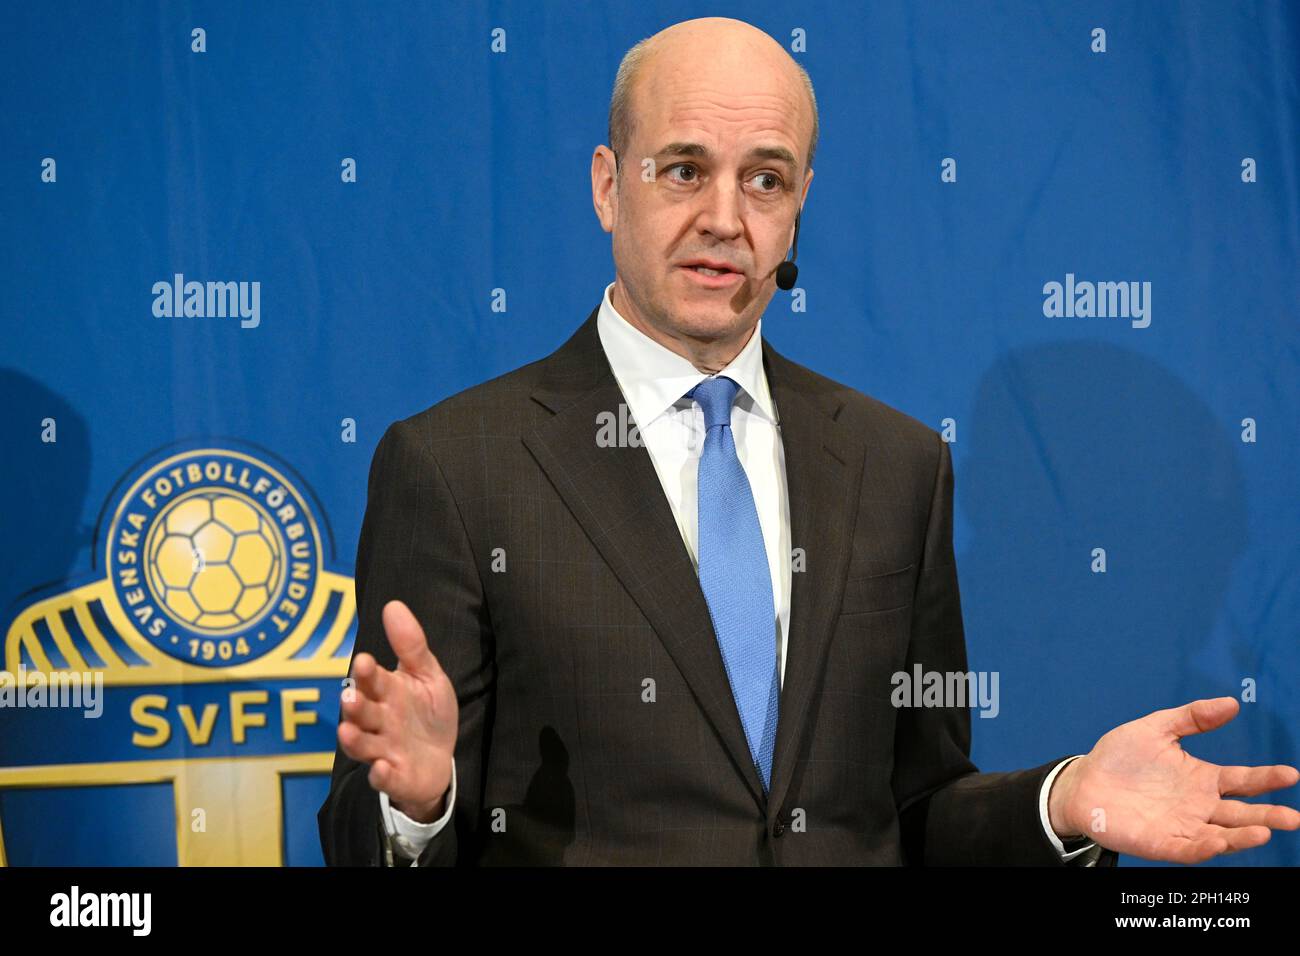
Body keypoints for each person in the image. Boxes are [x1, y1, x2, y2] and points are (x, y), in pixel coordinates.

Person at [318, 16, 1299, 866]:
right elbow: (359, 832)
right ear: (608, 186)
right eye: (685, 169)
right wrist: (416, 802)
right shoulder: (456, 465)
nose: (722, 218)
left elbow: (917, 809)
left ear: (797, 207)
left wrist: (1064, 799)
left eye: (765, 179)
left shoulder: (897, 465)